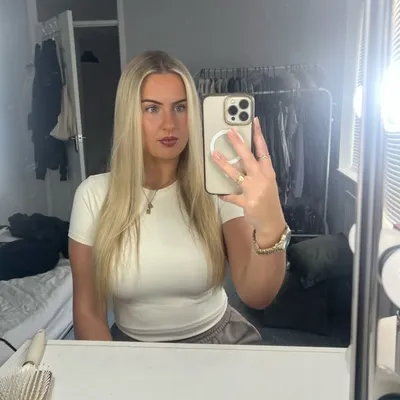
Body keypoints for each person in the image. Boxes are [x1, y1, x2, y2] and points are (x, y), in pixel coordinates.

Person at [68, 50, 289, 345]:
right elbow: (88, 312)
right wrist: (114, 367)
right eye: (152, 109)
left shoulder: (218, 189)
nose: (169, 123)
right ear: (129, 116)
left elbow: (257, 295)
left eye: (180, 107)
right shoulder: (93, 196)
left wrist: (271, 222)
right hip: (131, 351)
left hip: (219, 342)